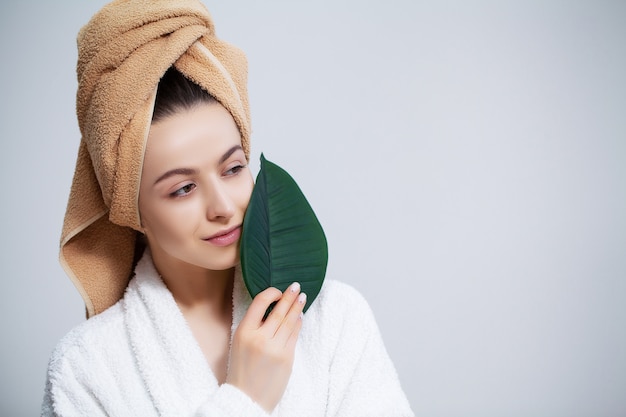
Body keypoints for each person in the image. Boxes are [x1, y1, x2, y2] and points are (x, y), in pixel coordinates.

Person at [42, 0, 414, 416]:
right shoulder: (86, 369)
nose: (222, 206)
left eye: (234, 168)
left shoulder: (338, 320)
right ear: (132, 210)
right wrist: (246, 398)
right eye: (183, 189)